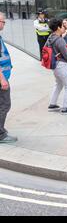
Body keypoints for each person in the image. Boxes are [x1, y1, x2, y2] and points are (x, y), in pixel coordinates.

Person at [0, 12, 17, 144]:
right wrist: (2, 79)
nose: (4, 24)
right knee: (4, 104)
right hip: (1, 79)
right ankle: (1, 134)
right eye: (2, 21)